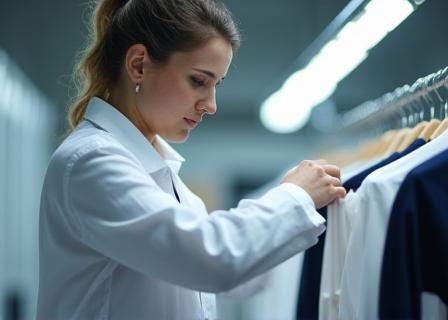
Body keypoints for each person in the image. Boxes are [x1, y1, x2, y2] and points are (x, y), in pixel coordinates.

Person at [36, 0, 346, 319]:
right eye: (199, 81)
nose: (211, 105)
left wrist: (319, 227)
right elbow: (210, 259)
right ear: (139, 65)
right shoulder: (91, 160)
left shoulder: (159, 172)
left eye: (216, 85)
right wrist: (294, 198)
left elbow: (216, 280)